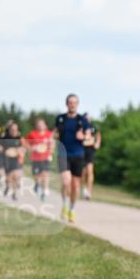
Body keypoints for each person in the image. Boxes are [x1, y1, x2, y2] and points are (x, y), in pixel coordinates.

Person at [54, 94, 92, 223]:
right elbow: (56, 133)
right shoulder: (60, 119)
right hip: (63, 154)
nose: (72, 104)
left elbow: (89, 136)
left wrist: (84, 137)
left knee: (75, 186)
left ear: (78, 104)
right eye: (70, 102)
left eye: (74, 102)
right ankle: (64, 205)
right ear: (66, 104)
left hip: (78, 154)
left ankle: (72, 208)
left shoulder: (82, 120)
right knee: (66, 182)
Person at [26, 119, 54, 201]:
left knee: (45, 174)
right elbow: (26, 143)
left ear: (45, 125)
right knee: (36, 175)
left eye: (42, 124)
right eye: (39, 124)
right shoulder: (32, 134)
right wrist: (31, 148)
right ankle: (37, 184)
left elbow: (52, 144)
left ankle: (44, 191)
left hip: (45, 158)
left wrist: (50, 153)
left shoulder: (49, 134)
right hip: (35, 158)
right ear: (36, 126)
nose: (40, 126)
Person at [2, 122, 25, 200]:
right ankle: (7, 186)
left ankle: (14, 194)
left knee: (15, 176)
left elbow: (24, 147)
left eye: (15, 129)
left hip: (16, 159)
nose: (14, 130)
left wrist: (20, 150)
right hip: (7, 159)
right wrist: (3, 150)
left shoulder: (20, 138)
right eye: (12, 129)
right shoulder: (5, 137)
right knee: (8, 177)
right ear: (9, 130)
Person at [81, 115, 101, 200]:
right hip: (81, 151)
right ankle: (84, 188)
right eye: (86, 118)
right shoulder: (80, 128)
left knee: (90, 171)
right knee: (83, 172)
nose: (87, 119)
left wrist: (97, 144)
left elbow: (98, 135)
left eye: (89, 118)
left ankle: (89, 192)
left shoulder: (94, 127)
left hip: (90, 151)